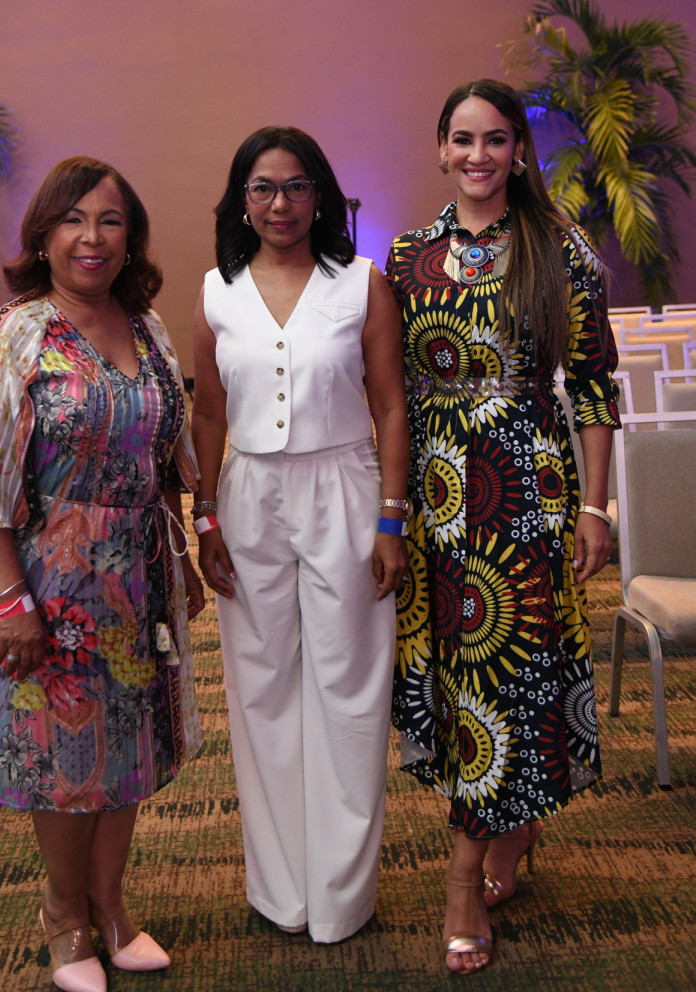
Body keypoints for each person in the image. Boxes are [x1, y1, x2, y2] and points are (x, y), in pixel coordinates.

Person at [0, 156, 204, 992]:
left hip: (137, 576)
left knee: (129, 747)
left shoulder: (150, 326)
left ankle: (112, 907)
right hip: (46, 582)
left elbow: (166, 460)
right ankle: (64, 920)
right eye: (74, 220)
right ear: (44, 236)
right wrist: (13, 599)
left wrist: (182, 555)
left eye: (111, 221)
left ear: (132, 237)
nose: (92, 238)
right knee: (61, 759)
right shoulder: (13, 335)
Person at [386, 80, 620, 974]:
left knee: (512, 671)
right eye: (461, 140)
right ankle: (510, 832)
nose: (478, 155)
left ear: (518, 150)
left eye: (495, 140)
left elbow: (595, 389)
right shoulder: (407, 258)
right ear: (441, 151)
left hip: (528, 494)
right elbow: (394, 397)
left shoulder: (562, 253)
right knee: (462, 680)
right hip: (440, 505)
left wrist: (596, 506)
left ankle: (462, 875)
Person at [191, 125, 409, 943]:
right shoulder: (218, 290)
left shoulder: (360, 285)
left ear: (322, 196)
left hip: (345, 491)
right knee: (262, 690)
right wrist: (204, 514)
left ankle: (342, 897)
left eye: (294, 186)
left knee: (351, 688)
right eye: (262, 188)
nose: (279, 202)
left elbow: (391, 405)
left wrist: (392, 518)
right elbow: (209, 411)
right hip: (247, 496)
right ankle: (281, 890)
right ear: (241, 202)